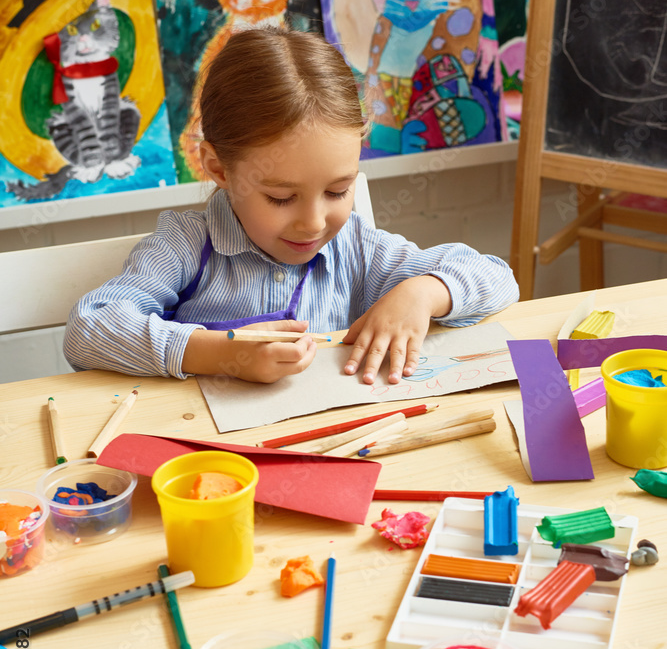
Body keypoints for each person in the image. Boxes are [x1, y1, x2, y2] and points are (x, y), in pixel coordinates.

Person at [64, 28, 519, 386]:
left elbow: (498, 278)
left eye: (339, 191)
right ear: (219, 168)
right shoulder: (185, 245)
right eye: (281, 197)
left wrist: (423, 293)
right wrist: (222, 355)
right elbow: (90, 328)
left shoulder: (356, 246)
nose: (315, 222)